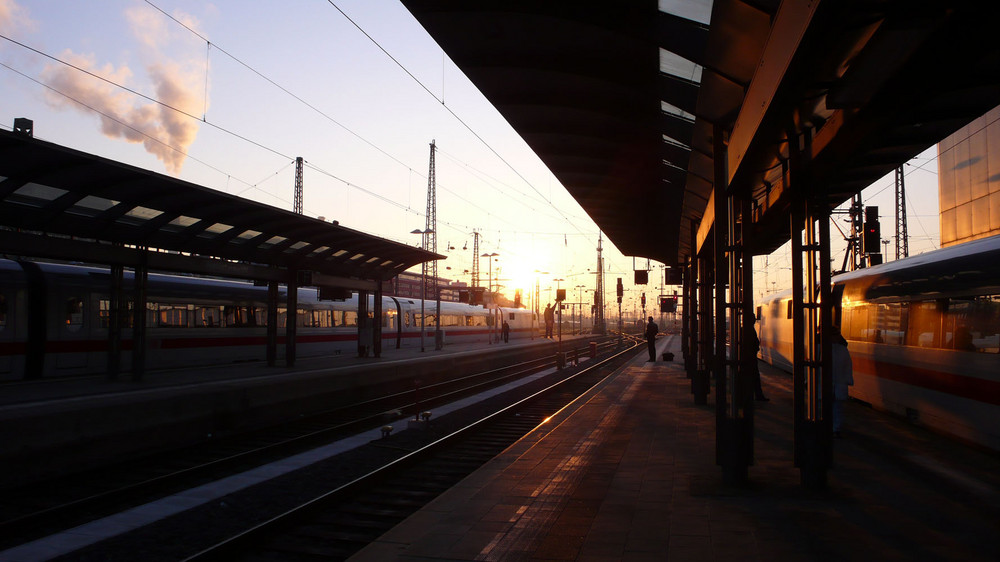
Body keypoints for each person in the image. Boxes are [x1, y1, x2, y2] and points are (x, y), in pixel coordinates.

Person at [831, 325, 854, 438]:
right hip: (839, 384)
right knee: (837, 407)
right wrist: (848, 381)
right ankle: (835, 428)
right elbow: (848, 366)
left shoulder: (819, 348)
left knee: (833, 406)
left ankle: (834, 427)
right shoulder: (843, 350)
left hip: (831, 384)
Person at [746, 311, 768, 401]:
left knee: (753, 378)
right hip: (750, 358)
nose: (754, 320)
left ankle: (757, 395)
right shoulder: (749, 330)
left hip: (749, 358)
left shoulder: (747, 329)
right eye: (753, 319)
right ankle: (758, 396)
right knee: (755, 377)